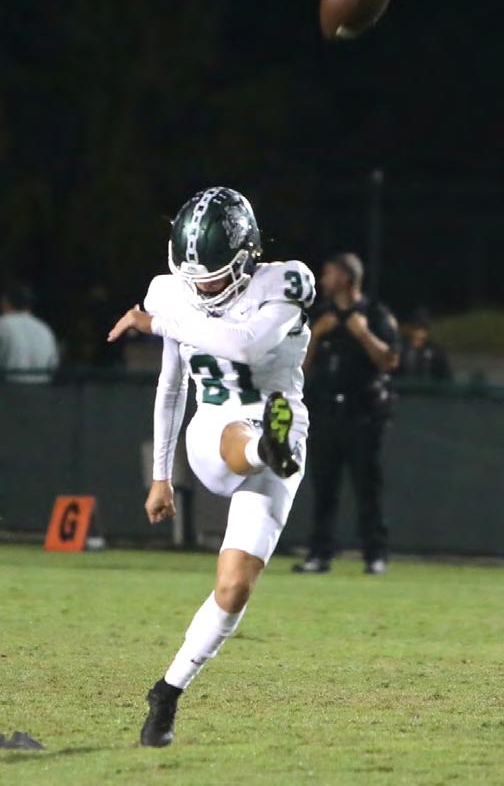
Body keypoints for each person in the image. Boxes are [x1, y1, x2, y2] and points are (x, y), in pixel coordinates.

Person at [107, 186, 315, 748]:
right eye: (194, 279)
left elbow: (245, 346)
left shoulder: (286, 282)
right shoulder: (169, 289)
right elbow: (171, 385)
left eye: (215, 278)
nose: (202, 289)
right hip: (213, 430)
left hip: (281, 423)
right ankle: (263, 449)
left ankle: (168, 691)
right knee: (237, 436)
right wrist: (161, 476)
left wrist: (159, 323)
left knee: (234, 588)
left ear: (247, 257)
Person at [292, 253, 399, 576]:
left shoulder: (375, 314)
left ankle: (375, 555)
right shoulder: (320, 316)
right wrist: (316, 335)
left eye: (329, 274)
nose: (323, 280)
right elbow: (298, 367)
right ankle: (319, 554)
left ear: (345, 277)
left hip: (363, 415)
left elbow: (390, 361)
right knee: (323, 487)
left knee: (367, 488)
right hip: (325, 413)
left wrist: (363, 334)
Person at [0, 281, 59, 383]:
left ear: (5, 302)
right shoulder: (44, 328)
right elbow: (53, 366)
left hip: (9, 389)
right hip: (41, 390)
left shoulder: (3, 324)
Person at [397, 307, 452, 381]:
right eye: (416, 329)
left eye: (424, 329)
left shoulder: (436, 353)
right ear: (409, 330)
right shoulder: (400, 351)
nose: (420, 334)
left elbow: (446, 378)